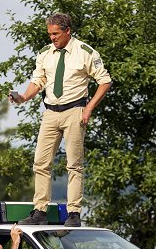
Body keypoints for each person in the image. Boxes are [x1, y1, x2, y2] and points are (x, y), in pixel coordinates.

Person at [9, 13, 112, 227]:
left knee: (74, 164)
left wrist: (89, 108)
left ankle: (73, 212)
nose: (52, 38)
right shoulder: (45, 53)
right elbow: (38, 81)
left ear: (67, 31)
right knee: (40, 162)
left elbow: (105, 81)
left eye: (56, 34)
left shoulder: (85, 52)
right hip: (50, 112)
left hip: (75, 110)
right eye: (50, 34)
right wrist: (23, 97)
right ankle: (40, 211)